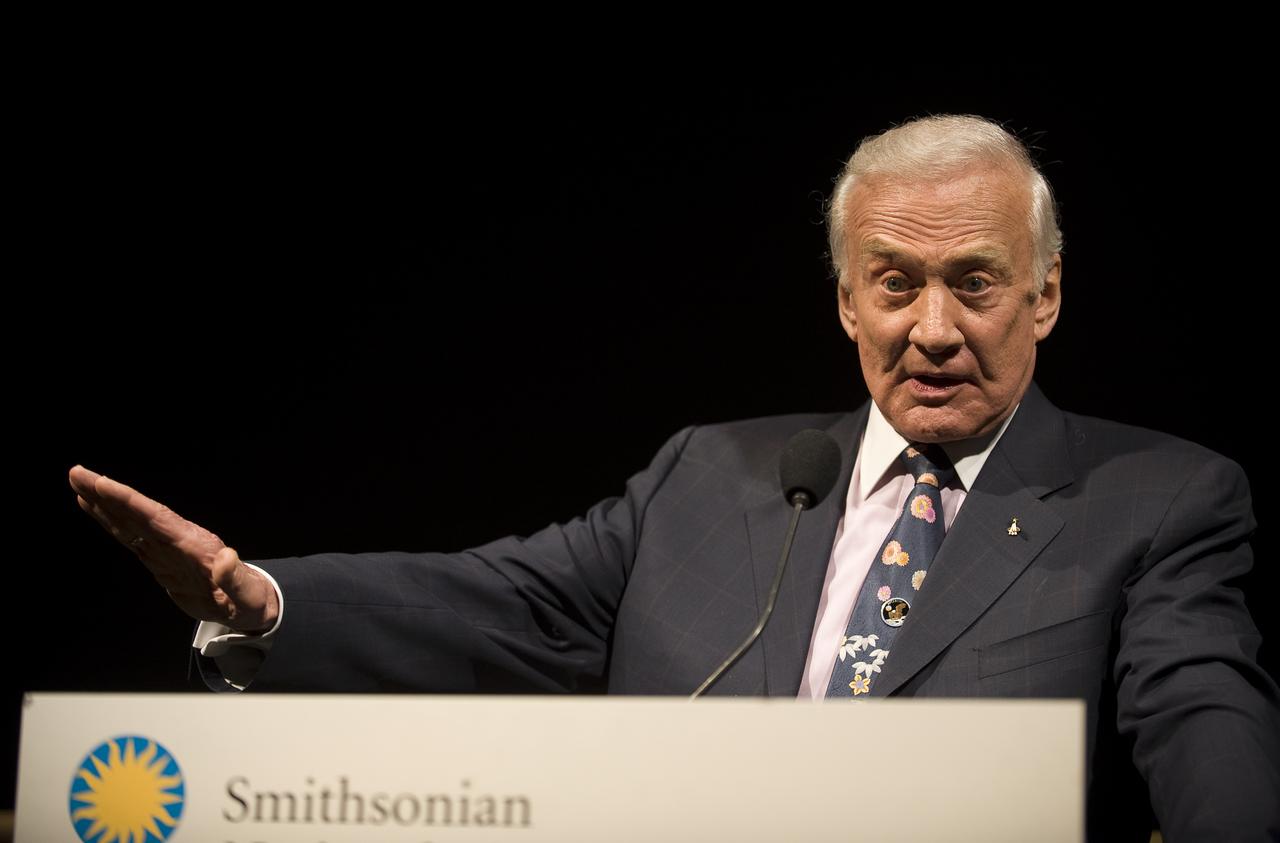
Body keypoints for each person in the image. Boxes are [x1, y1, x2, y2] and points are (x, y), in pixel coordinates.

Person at [69, 114, 1280, 840]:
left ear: (1044, 295)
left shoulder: (1156, 500)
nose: (931, 327)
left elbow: (1196, 709)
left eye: (972, 282)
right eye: (893, 284)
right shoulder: (717, 476)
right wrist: (258, 601)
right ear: (845, 301)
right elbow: (510, 603)